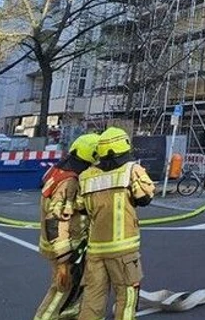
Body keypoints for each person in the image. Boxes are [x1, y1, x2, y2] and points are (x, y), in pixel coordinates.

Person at [77, 127, 156, 320]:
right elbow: (145, 198)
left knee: (92, 298)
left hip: (95, 250)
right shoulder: (131, 170)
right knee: (126, 296)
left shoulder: (86, 176)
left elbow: (81, 208)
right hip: (123, 249)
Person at [34, 133, 99, 320]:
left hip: (64, 242)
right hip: (64, 244)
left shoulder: (60, 170)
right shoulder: (70, 181)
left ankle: (68, 313)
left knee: (76, 282)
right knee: (62, 286)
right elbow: (55, 219)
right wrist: (63, 256)